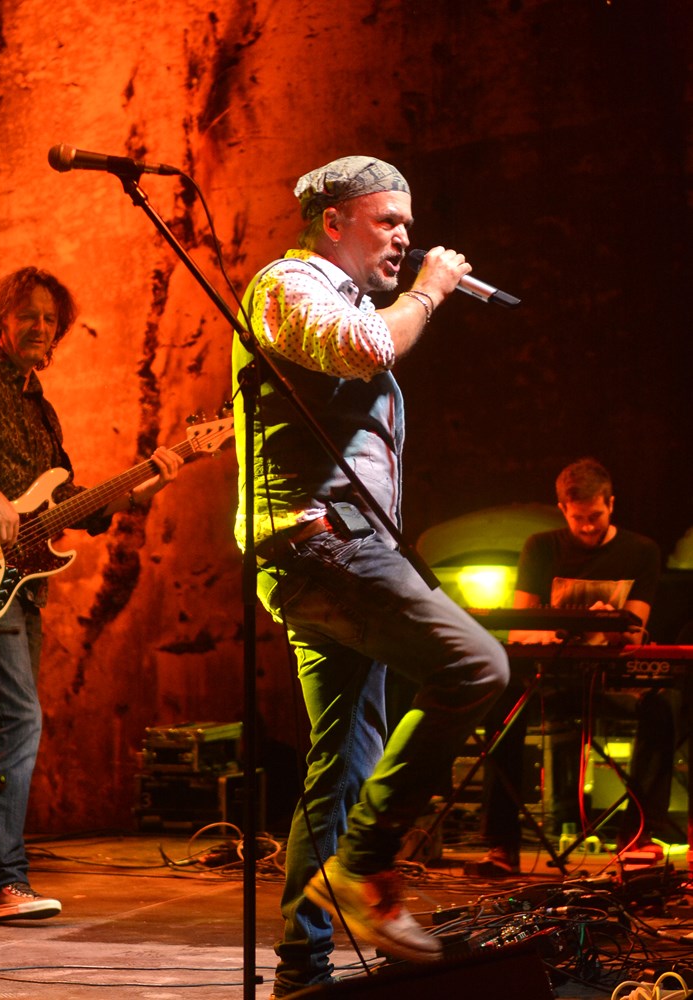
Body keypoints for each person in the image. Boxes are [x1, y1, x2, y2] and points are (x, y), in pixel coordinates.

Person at [231, 155, 510, 998]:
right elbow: (364, 348)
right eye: (388, 220)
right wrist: (429, 290)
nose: (403, 236)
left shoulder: (347, 300)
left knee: (343, 765)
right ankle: (363, 868)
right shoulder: (288, 286)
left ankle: (303, 971)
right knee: (475, 666)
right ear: (333, 222)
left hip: (333, 554)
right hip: (323, 550)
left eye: (407, 224)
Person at [0, 267, 182, 920]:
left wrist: (138, 491)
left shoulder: (41, 407)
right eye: (28, 314)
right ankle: (4, 882)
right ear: (0, 319)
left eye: (51, 319)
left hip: (18, 585)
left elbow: (66, 501)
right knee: (21, 720)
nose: (41, 327)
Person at [471, 457, 671, 878]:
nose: (587, 526)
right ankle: (501, 845)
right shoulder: (541, 547)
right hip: (549, 682)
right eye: (578, 518)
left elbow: (634, 633)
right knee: (501, 703)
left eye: (595, 516)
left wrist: (602, 626)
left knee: (659, 707)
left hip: (610, 682)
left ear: (611, 504)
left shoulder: (641, 551)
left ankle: (638, 837)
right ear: (563, 509)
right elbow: (519, 631)